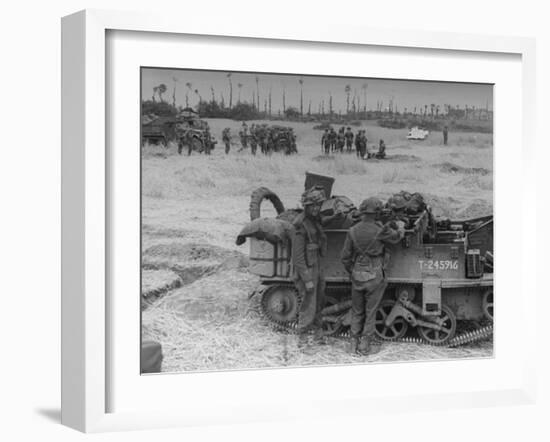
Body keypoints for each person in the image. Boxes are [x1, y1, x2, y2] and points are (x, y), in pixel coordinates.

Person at [341, 197, 405, 355]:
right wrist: (401, 226)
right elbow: (397, 237)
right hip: (375, 275)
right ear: (377, 213)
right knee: (371, 312)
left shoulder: (353, 231)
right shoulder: (380, 230)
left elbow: (345, 258)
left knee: (357, 310)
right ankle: (364, 346)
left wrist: (353, 272)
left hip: (357, 275)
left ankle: (352, 343)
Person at [292, 187, 327, 337]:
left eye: (318, 205)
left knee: (318, 302)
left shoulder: (314, 219)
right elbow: (297, 256)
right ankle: (302, 337)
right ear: (306, 206)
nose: (316, 208)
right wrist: (307, 279)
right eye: (312, 205)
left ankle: (317, 334)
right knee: (308, 305)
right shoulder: (300, 224)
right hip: (306, 269)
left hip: (316, 265)